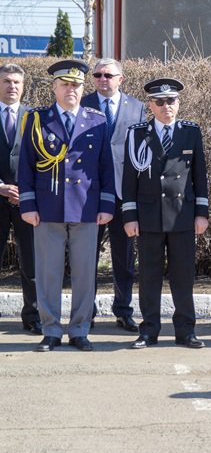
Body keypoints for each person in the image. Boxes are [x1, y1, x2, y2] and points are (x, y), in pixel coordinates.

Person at [18, 59, 115, 352]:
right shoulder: (37, 120)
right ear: (54, 87)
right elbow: (26, 166)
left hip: (86, 207)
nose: (71, 89)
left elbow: (106, 167)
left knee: (85, 273)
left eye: (76, 85)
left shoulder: (97, 120)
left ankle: (79, 329)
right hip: (48, 207)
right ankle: (50, 329)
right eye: (65, 84)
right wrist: (28, 204)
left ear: (83, 88)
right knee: (48, 272)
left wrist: (107, 205)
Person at [121, 78, 209, 349]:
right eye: (159, 102)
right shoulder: (137, 133)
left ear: (178, 103)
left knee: (183, 276)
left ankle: (186, 331)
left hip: (182, 214)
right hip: (149, 216)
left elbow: (199, 175)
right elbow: (129, 179)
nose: (166, 106)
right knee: (149, 277)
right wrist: (129, 215)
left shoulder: (190, 132)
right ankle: (149, 330)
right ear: (150, 105)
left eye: (171, 101)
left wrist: (202, 213)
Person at [81, 58, 146, 333]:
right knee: (87, 257)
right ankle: (87, 312)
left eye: (108, 75)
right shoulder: (83, 104)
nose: (102, 79)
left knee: (124, 257)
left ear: (121, 79)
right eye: (97, 75)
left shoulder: (138, 107)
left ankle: (123, 310)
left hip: (123, 191)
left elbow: (141, 152)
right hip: (89, 191)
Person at [0, 63, 39, 334]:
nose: (11, 86)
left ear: (23, 87)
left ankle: (33, 316)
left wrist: (25, 191)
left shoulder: (34, 117)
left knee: (32, 262)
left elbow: (43, 161)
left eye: (16, 82)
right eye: (6, 81)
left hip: (27, 202)